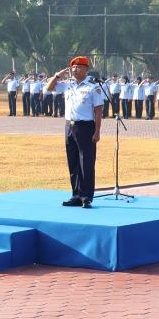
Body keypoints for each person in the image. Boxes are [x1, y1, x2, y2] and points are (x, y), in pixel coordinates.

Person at [56, 56, 106, 208]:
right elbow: (49, 88)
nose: (74, 69)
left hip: (86, 127)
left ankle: (86, 197)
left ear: (86, 69)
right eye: (73, 67)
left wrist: (97, 131)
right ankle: (76, 195)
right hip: (69, 126)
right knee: (73, 162)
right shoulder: (67, 85)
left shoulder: (93, 87)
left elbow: (98, 111)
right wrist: (58, 76)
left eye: (78, 67)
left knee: (86, 163)